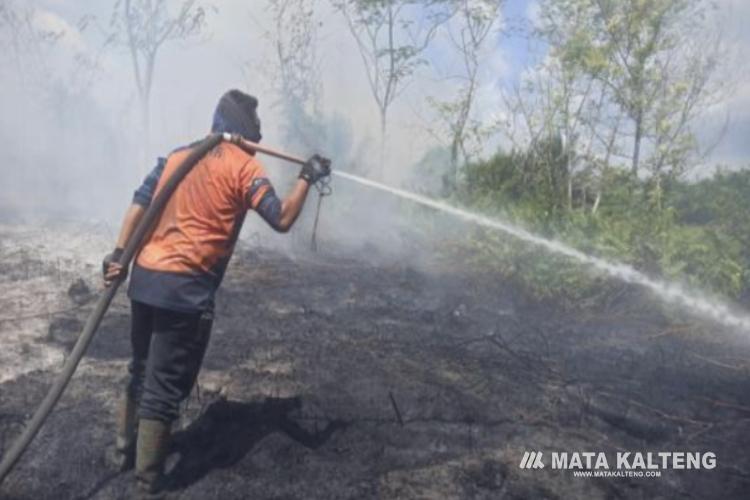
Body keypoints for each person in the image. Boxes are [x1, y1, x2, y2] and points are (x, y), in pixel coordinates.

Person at [102, 89, 330, 499]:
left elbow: (138, 204)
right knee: (163, 387)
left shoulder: (176, 157)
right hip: (184, 291)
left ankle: (122, 452)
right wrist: (307, 177)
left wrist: (120, 253)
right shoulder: (244, 168)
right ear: (246, 134)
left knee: (138, 369)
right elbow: (282, 218)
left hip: (144, 280)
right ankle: (146, 483)